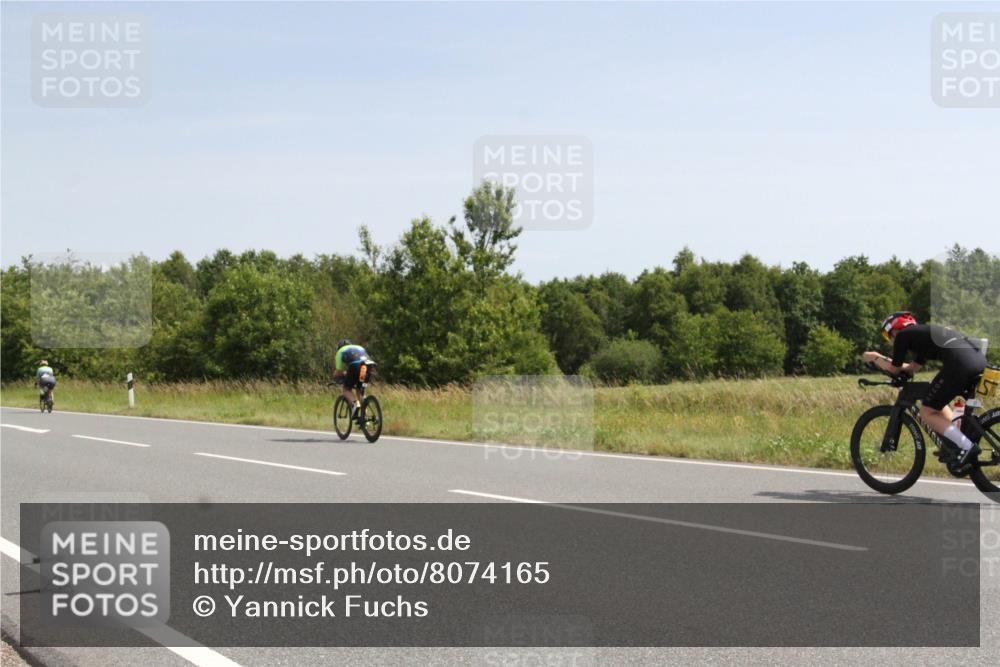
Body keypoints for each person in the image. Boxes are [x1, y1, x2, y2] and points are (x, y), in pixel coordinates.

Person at [862, 312, 988, 469]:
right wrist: (895, 366)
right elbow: (912, 368)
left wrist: (875, 357)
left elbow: (894, 369)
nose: (891, 340)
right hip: (978, 361)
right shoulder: (924, 337)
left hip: (960, 364)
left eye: (888, 336)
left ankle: (967, 447)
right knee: (936, 400)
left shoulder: (903, 335)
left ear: (894, 329)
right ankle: (954, 442)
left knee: (927, 412)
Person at [333, 339, 373, 421]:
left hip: (355, 366)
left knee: (346, 389)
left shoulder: (340, 351)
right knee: (360, 390)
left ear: (339, 347)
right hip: (368, 365)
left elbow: (338, 372)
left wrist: (336, 376)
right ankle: (364, 417)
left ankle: (355, 404)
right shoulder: (359, 347)